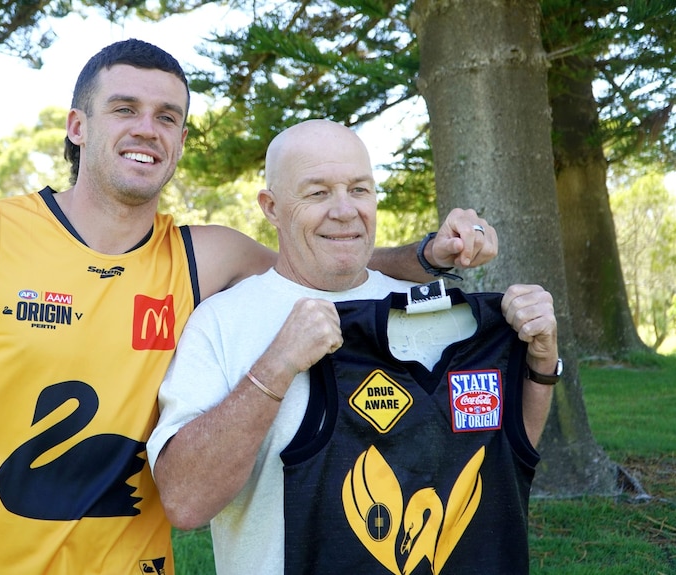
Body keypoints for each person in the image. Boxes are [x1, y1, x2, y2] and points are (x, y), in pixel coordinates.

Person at [0, 40, 496, 575]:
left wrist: (431, 253)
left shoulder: (203, 257)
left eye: (168, 116)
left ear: (181, 140)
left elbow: (327, 256)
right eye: (124, 108)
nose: (147, 129)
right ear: (78, 125)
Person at [148, 119, 558, 574]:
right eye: (317, 192)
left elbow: (497, 451)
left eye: (359, 190)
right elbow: (184, 503)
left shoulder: (425, 307)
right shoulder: (222, 322)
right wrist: (275, 368)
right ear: (271, 206)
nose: (344, 211)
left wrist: (541, 363)